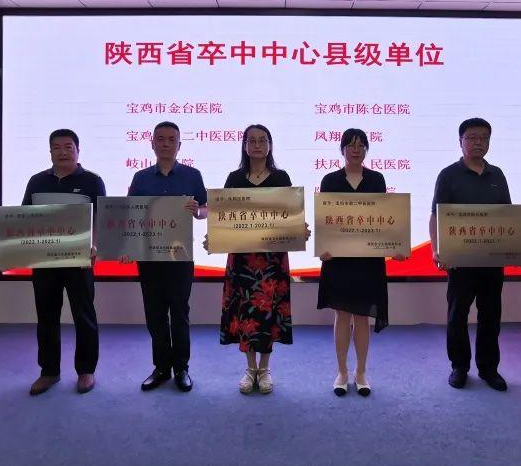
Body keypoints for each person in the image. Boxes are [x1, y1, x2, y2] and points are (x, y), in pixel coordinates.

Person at [217, 124, 309, 394]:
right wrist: (215, 236)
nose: (257, 145)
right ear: (244, 146)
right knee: (246, 311)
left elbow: (291, 216)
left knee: (268, 311)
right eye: (251, 140)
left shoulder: (281, 177)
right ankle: (250, 369)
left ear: (270, 145)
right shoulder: (234, 178)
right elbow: (223, 217)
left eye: (262, 140)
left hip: (272, 259)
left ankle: (265, 369)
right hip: (243, 258)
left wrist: (300, 229)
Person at [318, 128, 405, 397]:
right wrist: (322, 248)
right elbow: (325, 219)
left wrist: (395, 246)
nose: (356, 150)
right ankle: (342, 372)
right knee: (342, 315)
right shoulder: (330, 180)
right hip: (339, 260)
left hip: (368, 260)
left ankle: (361, 372)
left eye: (361, 145)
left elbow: (383, 219)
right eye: (351, 145)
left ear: (367, 149)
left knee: (362, 316)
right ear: (342, 149)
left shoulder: (377, 179)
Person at [429, 117, 511, 391]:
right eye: (472, 137)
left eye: (484, 138)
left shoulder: (497, 175)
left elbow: (507, 216)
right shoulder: (448, 175)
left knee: (491, 315)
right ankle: (459, 366)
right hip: (459, 260)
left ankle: (489, 368)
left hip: (491, 259)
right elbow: (436, 215)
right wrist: (436, 248)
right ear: (460, 141)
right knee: (457, 315)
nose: (478, 143)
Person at [125, 121, 208, 393]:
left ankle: (182, 368)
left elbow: (205, 209)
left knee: (180, 312)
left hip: (180, 256)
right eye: (160, 139)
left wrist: (197, 210)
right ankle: (161, 367)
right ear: (152, 144)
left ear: (179, 145)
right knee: (155, 313)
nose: (166, 144)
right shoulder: (140, 178)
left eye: (172, 139)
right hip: (148, 256)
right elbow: (130, 214)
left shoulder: (192, 175)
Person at [21, 129, 105, 396]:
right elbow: (23, 219)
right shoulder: (37, 181)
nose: (62, 152)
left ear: (78, 150)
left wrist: (95, 245)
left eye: (68, 146)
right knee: (46, 316)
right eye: (56, 147)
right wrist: (9, 250)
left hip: (79, 260)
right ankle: (49, 371)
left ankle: (86, 370)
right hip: (44, 260)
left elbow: (103, 219)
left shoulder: (92, 181)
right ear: (50, 152)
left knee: (84, 315)